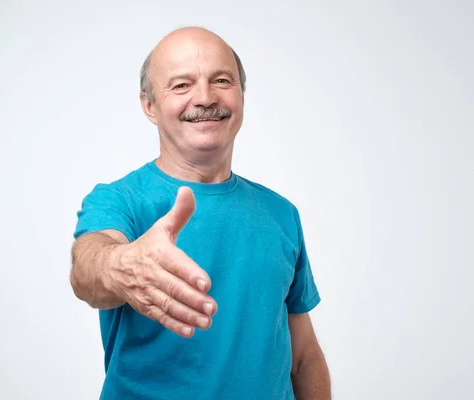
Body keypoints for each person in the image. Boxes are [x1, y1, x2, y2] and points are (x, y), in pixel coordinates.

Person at [70, 26, 331, 400]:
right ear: (149, 106)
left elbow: (303, 357)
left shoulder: (281, 213)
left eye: (222, 80)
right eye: (181, 85)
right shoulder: (119, 200)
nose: (206, 97)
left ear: (241, 94)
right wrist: (120, 265)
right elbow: (88, 269)